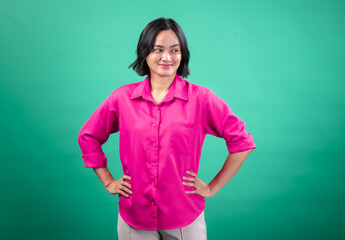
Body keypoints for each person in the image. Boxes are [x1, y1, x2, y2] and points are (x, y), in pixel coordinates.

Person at [78, 17, 256, 240]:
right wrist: (107, 181)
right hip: (134, 218)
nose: (167, 57)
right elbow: (89, 136)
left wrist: (212, 188)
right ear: (145, 53)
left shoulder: (202, 99)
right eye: (158, 49)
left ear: (182, 55)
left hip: (185, 218)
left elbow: (242, 142)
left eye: (174, 50)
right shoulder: (122, 98)